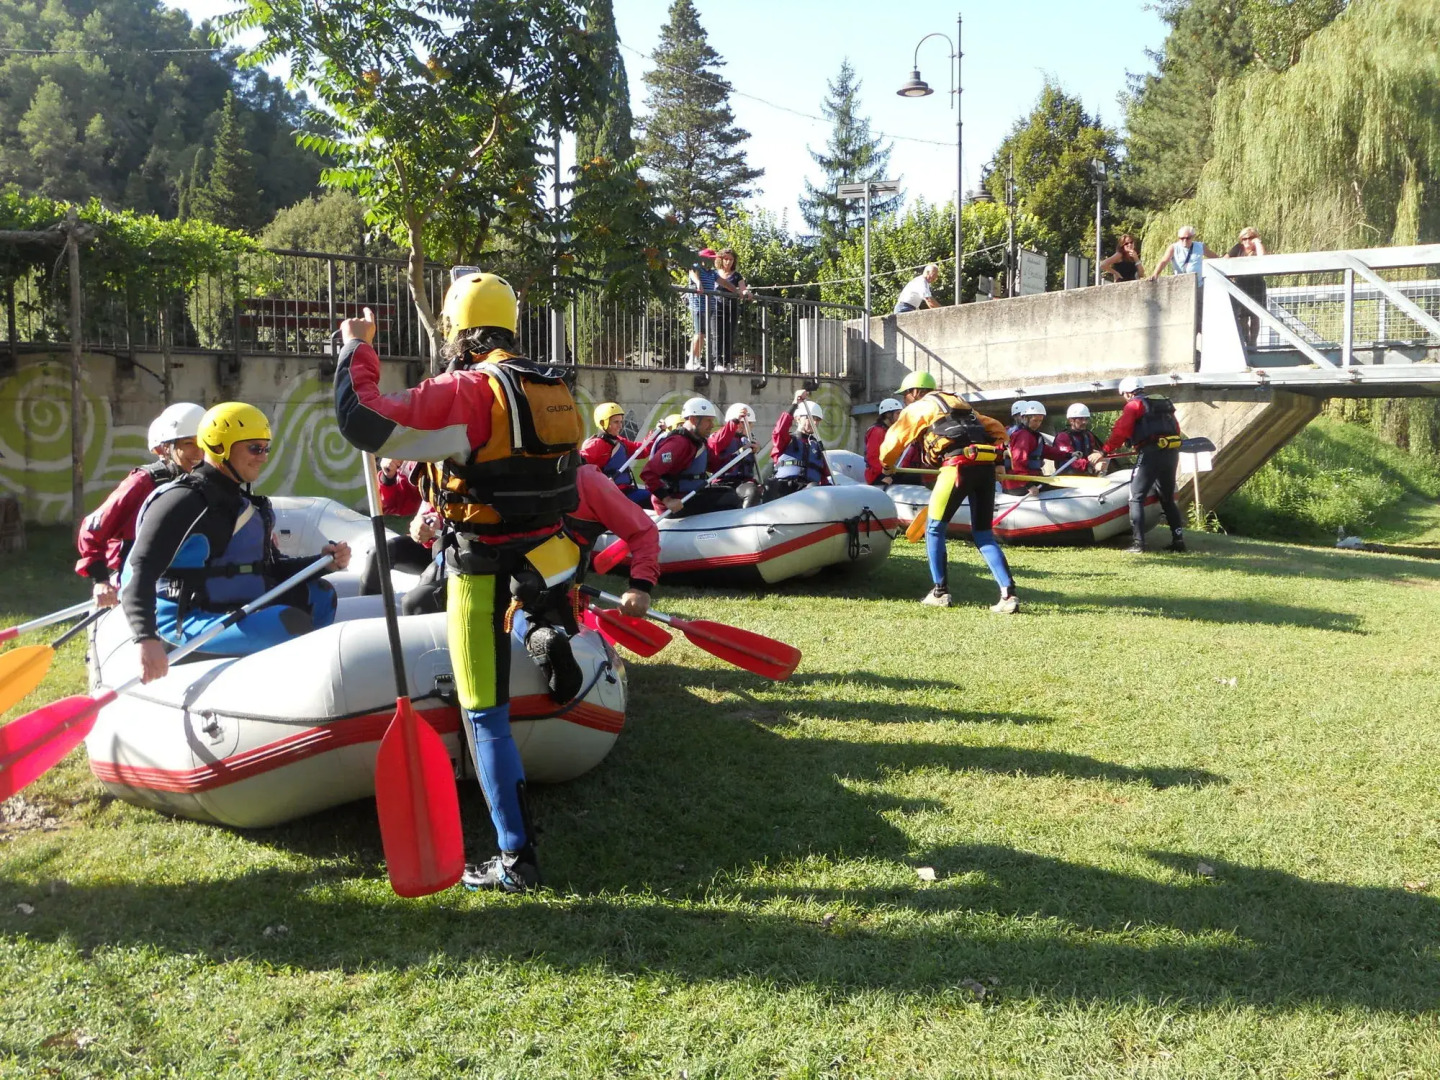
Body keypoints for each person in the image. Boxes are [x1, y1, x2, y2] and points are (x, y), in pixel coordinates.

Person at [334, 272, 586, 895]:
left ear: (457, 331)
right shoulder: (553, 385)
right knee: (526, 630)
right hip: (548, 557)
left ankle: (516, 859)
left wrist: (356, 348)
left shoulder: (468, 390)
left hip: (479, 568)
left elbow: (361, 418)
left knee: (485, 716)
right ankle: (546, 630)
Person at [120, 402, 352, 684]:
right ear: (219, 447)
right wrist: (145, 639)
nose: (263, 457)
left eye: (266, 448)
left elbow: (265, 570)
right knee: (289, 621)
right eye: (254, 448)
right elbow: (140, 569)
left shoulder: (240, 502)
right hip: (186, 623)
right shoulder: (182, 501)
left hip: (232, 606)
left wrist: (322, 562)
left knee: (320, 595)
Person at [879, 371, 1018, 614]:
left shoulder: (919, 407)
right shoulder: (961, 404)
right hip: (984, 470)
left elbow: (893, 442)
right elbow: (996, 429)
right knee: (984, 534)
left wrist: (886, 465)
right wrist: (998, 463)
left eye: (906, 395)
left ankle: (940, 592)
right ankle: (1008, 595)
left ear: (915, 392)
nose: (905, 401)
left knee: (934, 528)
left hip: (956, 469)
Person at [76, 402, 206, 609]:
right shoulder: (142, 482)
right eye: (188, 443)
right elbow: (93, 528)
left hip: (194, 579)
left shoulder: (211, 482)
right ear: (165, 447)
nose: (199, 453)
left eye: (204, 443)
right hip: (146, 581)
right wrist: (100, 579)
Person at [1088, 376, 1186, 554]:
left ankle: (1138, 544)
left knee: (1136, 497)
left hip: (1150, 454)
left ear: (1126, 393)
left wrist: (1104, 451)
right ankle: (1178, 539)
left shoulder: (1133, 405)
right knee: (1167, 498)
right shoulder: (1161, 404)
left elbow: (1121, 431)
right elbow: (1176, 429)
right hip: (1171, 453)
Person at [640, 397, 742, 517]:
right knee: (728, 499)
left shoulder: (699, 442)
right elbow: (648, 473)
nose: (712, 425)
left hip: (690, 495)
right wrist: (667, 500)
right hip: (675, 502)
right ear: (693, 420)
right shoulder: (677, 443)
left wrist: (740, 454)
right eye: (708, 421)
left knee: (729, 492)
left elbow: (716, 467)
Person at [358, 458, 442, 604]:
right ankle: (369, 617)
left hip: (458, 547)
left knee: (415, 600)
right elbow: (394, 504)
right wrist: (388, 476)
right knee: (378, 555)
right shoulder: (425, 458)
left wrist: (437, 522)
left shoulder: (467, 458)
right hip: (428, 544)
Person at [767, 389, 833, 501]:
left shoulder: (817, 447)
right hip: (785, 488)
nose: (815, 423)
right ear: (798, 418)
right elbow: (779, 430)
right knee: (814, 489)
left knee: (820, 489)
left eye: (817, 420)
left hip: (808, 489)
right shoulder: (787, 440)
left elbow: (823, 476)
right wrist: (794, 404)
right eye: (810, 418)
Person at [580, 403, 650, 507]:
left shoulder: (619, 442)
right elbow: (580, 468)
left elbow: (641, 451)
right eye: (616, 422)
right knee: (654, 498)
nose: (620, 426)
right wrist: (600, 481)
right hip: (611, 496)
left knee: (655, 495)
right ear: (603, 423)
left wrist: (655, 434)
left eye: (621, 422)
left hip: (625, 491)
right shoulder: (596, 444)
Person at [1004, 401, 1070, 493]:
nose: (1037, 424)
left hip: (1031, 478)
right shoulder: (1023, 435)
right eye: (1035, 420)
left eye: (1040, 421)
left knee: (1061, 482)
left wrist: (1068, 455)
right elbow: (1018, 461)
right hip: (1019, 484)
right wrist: (1028, 484)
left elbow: (1046, 451)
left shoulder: (1032, 435)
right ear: (1025, 418)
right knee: (1065, 488)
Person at [707, 402, 762, 508]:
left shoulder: (749, 441)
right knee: (751, 491)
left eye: (750, 423)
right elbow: (717, 443)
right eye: (746, 423)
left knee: (760, 489)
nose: (749, 427)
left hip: (743, 483)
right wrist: (734, 422)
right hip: (723, 484)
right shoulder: (718, 437)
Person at [1227, 227, 1269, 347]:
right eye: (1244, 239)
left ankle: (1253, 343)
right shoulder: (1238, 248)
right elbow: (1225, 260)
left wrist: (1257, 243)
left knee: (1255, 316)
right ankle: (1246, 341)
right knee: (1242, 317)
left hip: (1256, 285)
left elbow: (1263, 259)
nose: (1246, 241)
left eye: (1250, 238)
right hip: (1241, 285)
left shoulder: (1257, 249)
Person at [712, 249, 753, 368]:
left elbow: (742, 288)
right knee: (716, 335)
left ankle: (728, 363)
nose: (728, 262)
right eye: (726, 259)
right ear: (721, 259)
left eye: (731, 259)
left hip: (732, 308)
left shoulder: (736, 275)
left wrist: (746, 293)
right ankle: (717, 363)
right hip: (716, 307)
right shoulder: (715, 273)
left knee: (729, 335)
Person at [1054, 404, 1104, 475]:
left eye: (1086, 419)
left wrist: (1098, 457)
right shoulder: (1063, 437)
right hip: (1066, 477)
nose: (1084, 422)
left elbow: (1091, 452)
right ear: (1071, 420)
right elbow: (1070, 460)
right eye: (1080, 419)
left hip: (1085, 474)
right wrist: (1092, 465)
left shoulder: (1088, 435)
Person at [864, 397, 904, 485]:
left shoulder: (889, 430)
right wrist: (884, 475)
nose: (900, 417)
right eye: (898, 413)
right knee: (915, 478)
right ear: (888, 414)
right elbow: (873, 457)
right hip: (878, 475)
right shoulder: (877, 431)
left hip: (888, 471)